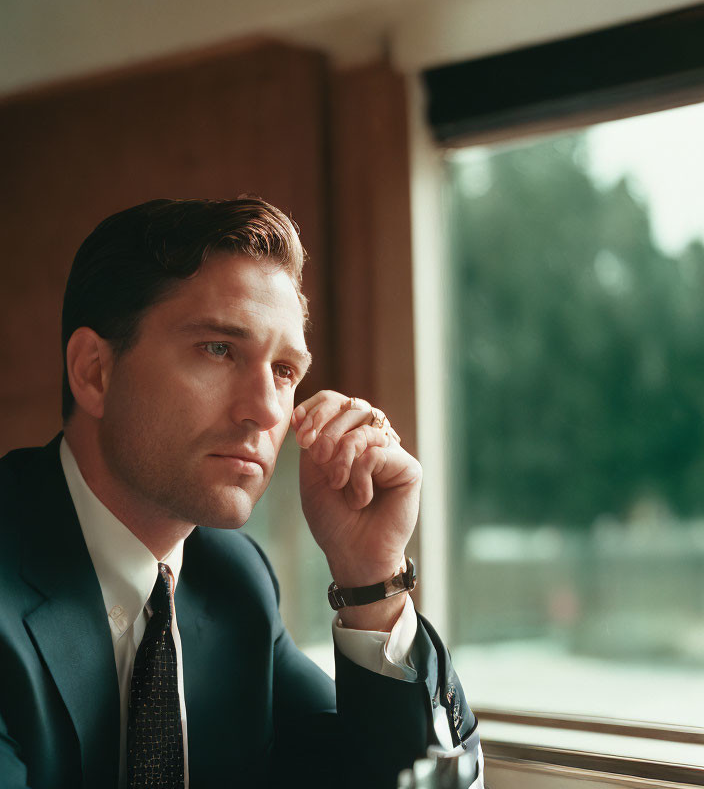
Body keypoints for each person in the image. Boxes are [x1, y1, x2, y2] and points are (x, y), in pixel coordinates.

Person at [0, 198, 483, 789]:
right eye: (219, 349)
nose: (265, 409)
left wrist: (370, 578)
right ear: (95, 372)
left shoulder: (234, 581)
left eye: (284, 370)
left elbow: (405, 777)